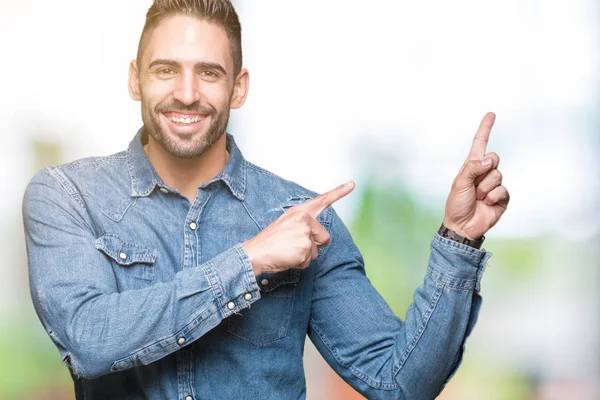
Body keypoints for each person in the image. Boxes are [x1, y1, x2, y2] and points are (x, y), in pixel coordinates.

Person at [22, 0, 510, 399]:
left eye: (210, 74)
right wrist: (248, 261)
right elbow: (88, 339)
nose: (187, 93)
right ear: (135, 79)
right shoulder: (68, 197)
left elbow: (398, 383)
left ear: (239, 88)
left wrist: (459, 240)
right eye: (166, 70)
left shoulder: (303, 220)